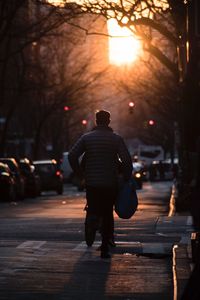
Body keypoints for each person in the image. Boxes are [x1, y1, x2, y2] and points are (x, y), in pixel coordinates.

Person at [68, 110, 133, 258]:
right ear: (109, 121)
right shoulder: (116, 139)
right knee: (108, 212)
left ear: (96, 121)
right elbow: (127, 160)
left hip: (91, 182)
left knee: (93, 206)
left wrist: (80, 174)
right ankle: (105, 245)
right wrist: (126, 177)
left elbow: (72, 155)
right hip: (110, 183)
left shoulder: (86, 138)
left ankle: (92, 219)